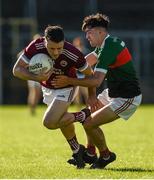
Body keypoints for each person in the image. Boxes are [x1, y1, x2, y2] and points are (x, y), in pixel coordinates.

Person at [51, 13, 142, 169]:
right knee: (87, 116)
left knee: (89, 123)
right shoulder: (103, 46)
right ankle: (91, 153)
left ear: (101, 31)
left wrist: (69, 80)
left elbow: (96, 80)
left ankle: (106, 156)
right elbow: (84, 64)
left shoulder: (109, 46)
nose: (87, 36)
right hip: (112, 94)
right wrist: (59, 67)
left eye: (89, 32)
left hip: (127, 98)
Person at [12, 25, 97, 169]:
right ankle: (77, 151)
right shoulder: (36, 46)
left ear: (64, 42)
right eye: (52, 48)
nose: (56, 52)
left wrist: (91, 96)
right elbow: (17, 70)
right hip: (47, 88)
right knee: (62, 120)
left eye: (59, 48)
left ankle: (83, 115)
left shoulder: (73, 53)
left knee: (50, 122)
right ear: (45, 41)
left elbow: (90, 75)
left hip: (67, 88)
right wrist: (36, 77)